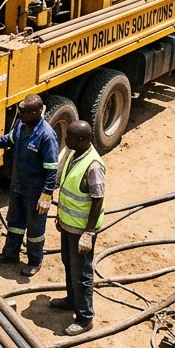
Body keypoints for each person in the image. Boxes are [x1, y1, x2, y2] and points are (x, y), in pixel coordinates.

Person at [0, 94, 58, 276]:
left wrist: (46, 196)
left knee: (35, 228)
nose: (20, 114)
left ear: (38, 112)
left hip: (35, 191)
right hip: (18, 186)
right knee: (15, 222)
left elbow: (52, 169)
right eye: (19, 111)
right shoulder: (21, 125)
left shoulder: (46, 135)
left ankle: (35, 261)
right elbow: (10, 140)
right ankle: (10, 254)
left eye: (24, 112)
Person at [51, 120, 105, 336]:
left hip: (81, 230)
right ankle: (71, 300)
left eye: (70, 137)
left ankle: (84, 318)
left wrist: (88, 233)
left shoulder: (93, 165)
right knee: (69, 264)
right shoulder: (74, 155)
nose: (65, 139)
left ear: (80, 140)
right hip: (68, 225)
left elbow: (97, 200)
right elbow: (69, 189)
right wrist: (60, 216)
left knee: (82, 273)